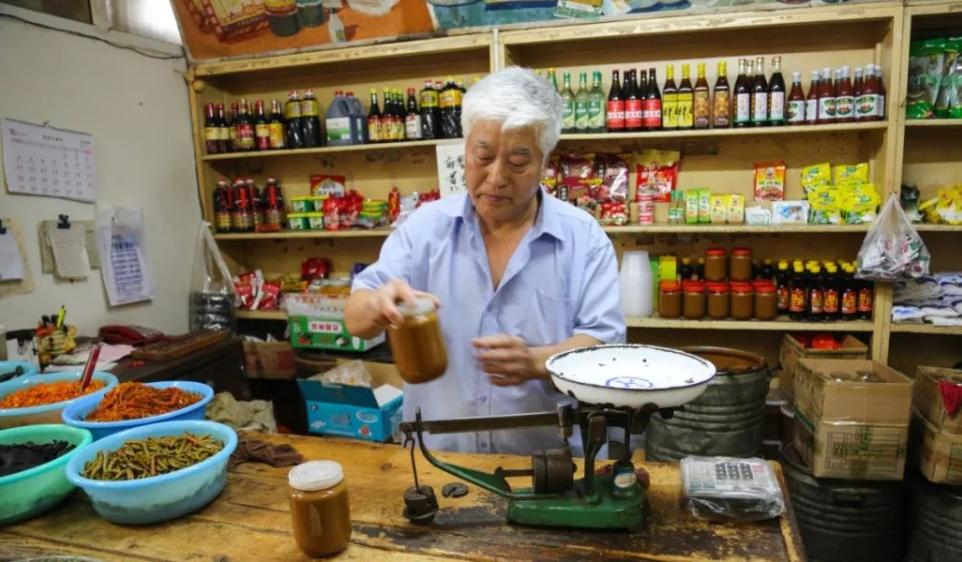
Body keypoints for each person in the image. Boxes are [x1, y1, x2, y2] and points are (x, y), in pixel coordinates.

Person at [345, 67, 625, 454]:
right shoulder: (426, 228)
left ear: (545, 161)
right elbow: (356, 318)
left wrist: (535, 361)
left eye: (517, 162)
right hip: (438, 458)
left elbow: (604, 344)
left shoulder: (583, 238)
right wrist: (377, 304)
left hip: (548, 465)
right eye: (483, 156)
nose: (496, 178)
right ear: (466, 150)